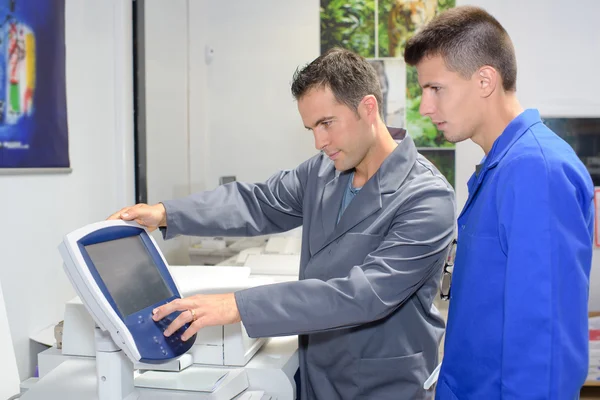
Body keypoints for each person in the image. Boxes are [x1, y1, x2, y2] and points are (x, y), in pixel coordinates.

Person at [110, 48, 456, 399]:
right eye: (311, 128)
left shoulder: (426, 197)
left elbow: (362, 294)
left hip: (382, 384)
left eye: (326, 123)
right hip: (317, 373)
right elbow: (256, 202)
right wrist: (166, 213)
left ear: (368, 108)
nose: (319, 142)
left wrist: (237, 305)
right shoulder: (321, 173)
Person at [404, 6, 594, 399]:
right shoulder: (501, 166)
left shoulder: (535, 172)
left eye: (435, 88)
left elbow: (544, 352)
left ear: (485, 80)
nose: (425, 107)